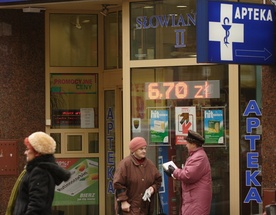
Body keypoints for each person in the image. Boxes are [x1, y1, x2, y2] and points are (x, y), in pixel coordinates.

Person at [6, 131, 71, 215]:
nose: (25, 153)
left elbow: (37, 205)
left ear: (37, 152)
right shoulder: (38, 169)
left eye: (27, 149)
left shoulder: (39, 172)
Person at [165, 130, 212, 215]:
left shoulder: (199, 157)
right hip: (194, 198)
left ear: (193, 144)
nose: (186, 145)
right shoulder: (196, 155)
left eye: (187, 143)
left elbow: (188, 175)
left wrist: (175, 171)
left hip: (195, 200)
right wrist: (174, 173)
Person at [113, 137, 162, 215]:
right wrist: (123, 201)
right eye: (141, 149)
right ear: (134, 150)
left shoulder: (150, 165)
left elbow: (158, 180)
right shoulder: (125, 164)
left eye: (145, 148)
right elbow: (118, 184)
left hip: (145, 209)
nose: (144, 151)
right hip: (129, 208)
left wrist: (152, 189)